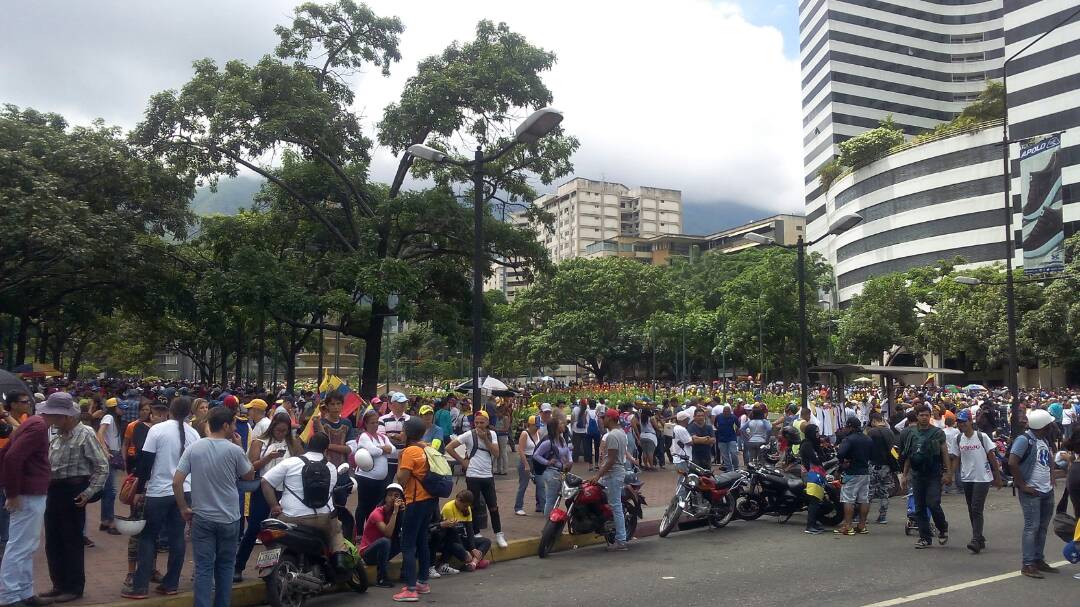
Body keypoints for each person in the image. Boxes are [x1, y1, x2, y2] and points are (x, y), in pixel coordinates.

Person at [174, 407, 254, 607]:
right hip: (229, 518)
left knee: (203, 568)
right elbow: (249, 475)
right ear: (226, 426)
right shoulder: (234, 450)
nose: (236, 427)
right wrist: (241, 446)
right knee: (226, 566)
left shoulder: (195, 448)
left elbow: (177, 481)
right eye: (234, 423)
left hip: (202, 517)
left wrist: (184, 507)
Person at [124, 396, 200, 599]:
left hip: (159, 491)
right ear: (189, 413)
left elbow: (145, 463)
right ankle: (171, 583)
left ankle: (140, 587)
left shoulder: (157, 430)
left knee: (148, 537)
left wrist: (140, 490)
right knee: (177, 538)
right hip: (184, 492)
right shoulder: (194, 434)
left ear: (170, 411)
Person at [40, 392, 108, 603]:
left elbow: (102, 467)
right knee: (53, 541)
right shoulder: (58, 435)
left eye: (53, 415)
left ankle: (73, 587)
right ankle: (58, 584)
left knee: (71, 541)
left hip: (73, 491)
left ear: (66, 416)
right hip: (54, 491)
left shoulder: (85, 433)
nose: (49, 419)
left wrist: (88, 493)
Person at [260, 433, 349, 570]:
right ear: (326, 450)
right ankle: (339, 560)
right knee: (336, 529)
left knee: (270, 527)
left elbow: (265, 482)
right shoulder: (331, 468)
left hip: (290, 518)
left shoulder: (290, 462)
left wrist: (274, 506)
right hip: (322, 519)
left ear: (307, 446)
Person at [0, 393, 54, 607]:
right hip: (27, 492)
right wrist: (12, 493)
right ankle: (10, 595)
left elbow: (7, 453)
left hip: (27, 491)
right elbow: (12, 456)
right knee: (21, 545)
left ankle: (23, 592)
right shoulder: (38, 426)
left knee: (26, 545)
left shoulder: (32, 423)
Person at [234, 412, 301, 581]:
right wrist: (268, 458)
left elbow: (301, 462)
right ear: (272, 428)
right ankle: (238, 566)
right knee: (254, 529)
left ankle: (272, 568)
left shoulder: (292, 443)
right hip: (263, 489)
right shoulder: (260, 442)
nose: (281, 434)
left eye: (285, 431)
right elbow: (249, 468)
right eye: (278, 430)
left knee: (280, 532)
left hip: (285, 491)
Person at [1009, 408, 1059, 578]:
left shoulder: (1043, 439)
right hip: (1032, 490)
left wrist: (1051, 476)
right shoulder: (1024, 440)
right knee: (1032, 527)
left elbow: (1048, 460)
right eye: (1049, 424)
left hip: (1046, 489)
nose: (1052, 427)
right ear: (1042, 426)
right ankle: (1028, 564)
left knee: (1042, 527)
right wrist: (1022, 485)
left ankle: (1038, 559)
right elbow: (1012, 462)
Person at [445, 410, 507, 548]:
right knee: (473, 505)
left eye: (482, 422)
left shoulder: (492, 435)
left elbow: (496, 453)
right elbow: (449, 447)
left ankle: (499, 533)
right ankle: (476, 532)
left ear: (487, 422)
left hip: (487, 475)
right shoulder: (469, 434)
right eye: (477, 422)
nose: (479, 425)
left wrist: (485, 439)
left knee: (493, 506)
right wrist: (462, 461)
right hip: (473, 475)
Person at [392, 418, 436, 602]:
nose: (400, 433)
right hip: (430, 500)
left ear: (408, 433)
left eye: (402, 430)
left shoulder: (410, 451)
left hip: (415, 501)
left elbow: (401, 479)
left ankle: (410, 589)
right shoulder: (426, 448)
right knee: (421, 540)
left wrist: (401, 459)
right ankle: (422, 582)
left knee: (407, 544)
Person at [898, 403, 951, 549]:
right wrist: (905, 474)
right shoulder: (911, 433)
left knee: (933, 503)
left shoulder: (937, 433)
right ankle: (925, 538)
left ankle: (942, 528)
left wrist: (948, 472)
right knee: (919, 506)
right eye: (921, 415)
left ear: (930, 416)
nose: (924, 417)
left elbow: (944, 452)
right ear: (917, 416)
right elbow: (908, 455)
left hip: (934, 474)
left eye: (927, 415)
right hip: (917, 474)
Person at [951, 409, 1002, 554]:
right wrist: (951, 475)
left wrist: (997, 476)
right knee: (971, 509)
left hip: (982, 477)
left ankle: (975, 539)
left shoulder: (982, 436)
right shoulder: (958, 438)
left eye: (964, 422)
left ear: (970, 422)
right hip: (967, 478)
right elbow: (956, 458)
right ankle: (979, 537)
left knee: (976, 508)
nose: (961, 425)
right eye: (959, 422)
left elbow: (991, 456)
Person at [350, 409, 397, 538]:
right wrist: (384, 449)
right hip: (366, 478)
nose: (375, 425)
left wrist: (381, 449)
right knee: (363, 505)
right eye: (372, 423)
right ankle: (359, 532)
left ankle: (371, 530)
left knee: (376, 505)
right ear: (366, 423)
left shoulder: (382, 437)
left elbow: (393, 451)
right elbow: (373, 451)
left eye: (377, 422)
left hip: (381, 479)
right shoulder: (365, 436)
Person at [590, 409, 630, 551]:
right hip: (614, 473)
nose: (602, 420)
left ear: (611, 419)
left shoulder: (612, 436)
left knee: (616, 506)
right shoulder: (621, 433)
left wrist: (598, 475)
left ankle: (621, 541)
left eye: (604, 417)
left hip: (613, 473)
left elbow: (611, 459)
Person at [430, 490, 491, 576]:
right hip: (452, 540)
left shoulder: (467, 508)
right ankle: (475, 562)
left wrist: (473, 548)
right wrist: (465, 551)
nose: (466, 508)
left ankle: (473, 563)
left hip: (463, 538)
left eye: (468, 506)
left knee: (486, 541)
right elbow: (452, 533)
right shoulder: (449, 508)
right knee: (457, 547)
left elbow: (470, 530)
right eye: (464, 506)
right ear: (458, 500)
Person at [359, 483, 403, 588]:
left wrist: (403, 512)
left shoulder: (397, 511)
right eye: (390, 495)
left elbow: (401, 530)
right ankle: (381, 578)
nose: (393, 498)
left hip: (383, 552)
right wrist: (395, 513)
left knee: (405, 538)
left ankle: (406, 573)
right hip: (368, 553)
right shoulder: (377, 513)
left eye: (396, 496)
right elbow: (388, 534)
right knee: (385, 541)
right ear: (385, 497)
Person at [834, 417, 873, 536]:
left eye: (846, 426)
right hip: (865, 472)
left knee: (848, 499)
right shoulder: (868, 439)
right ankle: (862, 526)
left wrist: (843, 462)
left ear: (850, 427)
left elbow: (840, 454)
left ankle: (848, 526)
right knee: (864, 499)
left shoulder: (848, 439)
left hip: (851, 473)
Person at [95, 398, 123, 535]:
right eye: (120, 407)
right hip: (110, 453)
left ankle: (105, 520)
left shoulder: (114, 419)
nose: (123, 410)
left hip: (113, 452)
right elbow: (99, 433)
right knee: (111, 490)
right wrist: (105, 451)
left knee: (108, 490)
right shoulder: (108, 417)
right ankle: (109, 521)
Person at [532, 418, 572, 516]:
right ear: (555, 428)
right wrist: (547, 462)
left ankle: (552, 522)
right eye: (561, 423)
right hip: (552, 473)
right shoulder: (548, 442)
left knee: (556, 499)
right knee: (551, 499)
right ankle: (548, 524)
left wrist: (570, 461)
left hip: (561, 472)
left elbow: (567, 451)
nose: (563, 425)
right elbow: (536, 455)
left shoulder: (562, 440)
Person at [866, 412, 897, 525]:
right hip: (887, 466)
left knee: (869, 492)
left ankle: (864, 516)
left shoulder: (871, 432)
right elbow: (893, 450)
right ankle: (882, 516)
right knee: (884, 492)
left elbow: (867, 448)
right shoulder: (890, 432)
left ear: (874, 420)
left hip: (874, 465)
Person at [513, 415, 544, 516]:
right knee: (523, 484)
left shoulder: (538, 433)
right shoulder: (524, 434)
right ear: (530, 425)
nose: (537, 428)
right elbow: (521, 450)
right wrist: (526, 464)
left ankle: (541, 505)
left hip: (536, 460)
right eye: (535, 426)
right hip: (526, 459)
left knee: (540, 483)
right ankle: (518, 506)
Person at [314, 393, 354, 468]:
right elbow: (319, 447)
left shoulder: (347, 423)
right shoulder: (320, 423)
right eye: (332, 404)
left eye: (338, 404)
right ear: (327, 406)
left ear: (342, 405)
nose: (336, 407)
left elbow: (351, 449)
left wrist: (329, 445)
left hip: (343, 468)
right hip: (324, 468)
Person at [801, 423, 827, 535]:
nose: (818, 434)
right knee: (814, 501)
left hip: (816, 474)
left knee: (817, 500)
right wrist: (820, 456)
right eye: (816, 432)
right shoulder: (807, 445)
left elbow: (822, 457)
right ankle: (810, 526)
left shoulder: (814, 444)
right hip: (810, 475)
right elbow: (816, 459)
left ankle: (814, 523)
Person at [378, 394, 410, 482]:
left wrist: (390, 436)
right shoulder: (382, 419)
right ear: (392, 404)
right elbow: (381, 438)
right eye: (401, 402)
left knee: (404, 487)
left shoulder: (409, 419)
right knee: (386, 486)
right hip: (387, 460)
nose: (404, 404)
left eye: (405, 402)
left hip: (405, 460)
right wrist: (397, 436)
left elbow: (407, 438)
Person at [714, 405, 739, 471]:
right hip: (721, 438)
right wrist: (719, 430)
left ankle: (736, 467)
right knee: (725, 455)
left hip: (731, 437)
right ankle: (729, 468)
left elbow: (738, 425)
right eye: (724, 411)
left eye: (727, 412)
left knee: (733, 453)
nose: (726, 413)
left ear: (730, 412)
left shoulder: (733, 417)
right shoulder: (719, 416)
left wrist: (736, 432)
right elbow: (715, 424)